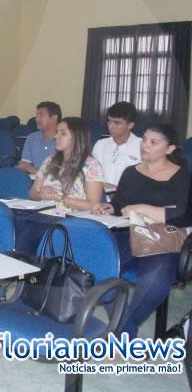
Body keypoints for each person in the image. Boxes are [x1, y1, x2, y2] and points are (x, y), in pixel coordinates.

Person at [93, 123, 190, 337]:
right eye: (144, 139)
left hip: (161, 239)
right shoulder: (131, 172)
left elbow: (182, 214)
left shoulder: (181, 176)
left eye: (153, 142)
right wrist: (110, 207)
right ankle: (124, 329)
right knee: (98, 264)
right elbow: (120, 205)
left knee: (155, 281)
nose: (145, 145)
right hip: (127, 233)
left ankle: (122, 332)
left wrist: (142, 208)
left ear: (170, 149)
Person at [30, 117, 104, 213]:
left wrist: (59, 197)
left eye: (63, 133)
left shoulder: (92, 166)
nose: (56, 136)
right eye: (57, 132)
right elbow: (32, 193)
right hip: (45, 214)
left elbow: (93, 205)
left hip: (73, 219)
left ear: (77, 137)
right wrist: (42, 194)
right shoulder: (50, 161)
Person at [92, 101, 141, 188]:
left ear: (130, 125)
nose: (111, 126)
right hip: (100, 195)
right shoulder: (100, 145)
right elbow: (92, 174)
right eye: (109, 121)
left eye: (117, 123)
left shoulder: (142, 146)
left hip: (128, 198)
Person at [18, 101, 61, 174]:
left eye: (41, 115)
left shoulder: (64, 139)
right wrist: (40, 174)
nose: (36, 119)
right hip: (34, 180)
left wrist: (36, 172)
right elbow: (24, 165)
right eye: (36, 115)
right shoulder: (32, 137)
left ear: (54, 118)